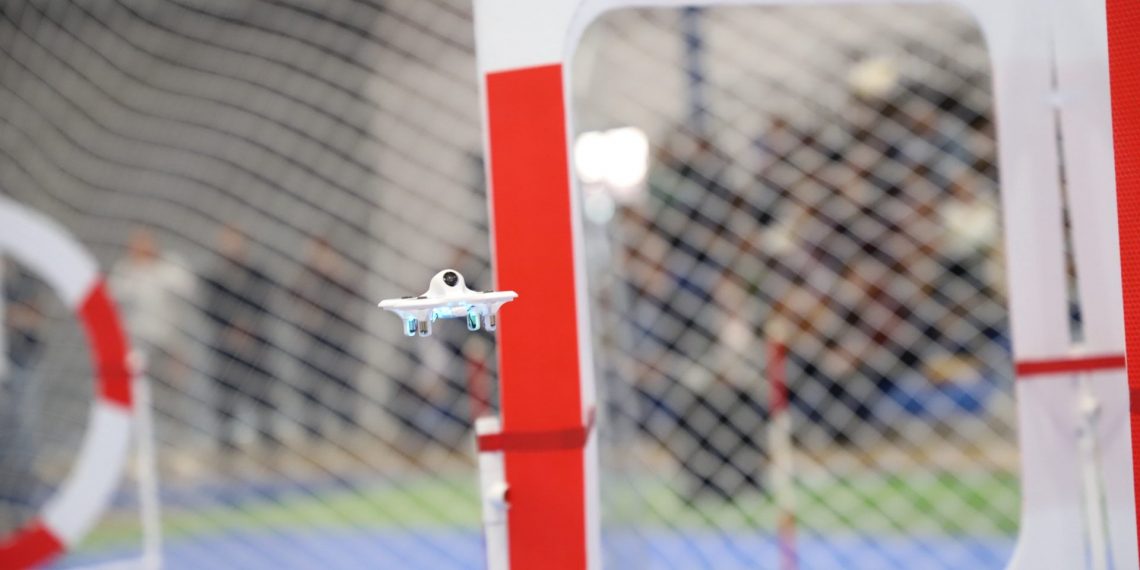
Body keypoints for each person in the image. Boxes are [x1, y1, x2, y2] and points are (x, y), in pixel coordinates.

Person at [109, 228, 195, 438]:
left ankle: (179, 437)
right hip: (139, 342)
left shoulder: (170, 266)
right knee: (142, 391)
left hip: (170, 340)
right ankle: (146, 437)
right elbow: (113, 296)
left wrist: (155, 268)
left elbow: (187, 288)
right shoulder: (125, 270)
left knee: (175, 391)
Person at [204, 225, 276, 450]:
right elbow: (210, 307)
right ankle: (226, 442)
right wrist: (231, 328)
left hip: (255, 344)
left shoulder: (257, 275)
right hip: (226, 346)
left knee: (262, 392)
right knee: (226, 395)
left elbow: (264, 302)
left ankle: (267, 438)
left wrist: (248, 326)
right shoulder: (214, 278)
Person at [290, 236, 360, 439]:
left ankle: (347, 431)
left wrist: (336, 273)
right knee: (312, 386)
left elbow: (351, 298)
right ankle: (313, 432)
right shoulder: (305, 277)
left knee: (343, 385)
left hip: (338, 339)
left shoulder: (340, 277)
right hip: (312, 339)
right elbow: (294, 297)